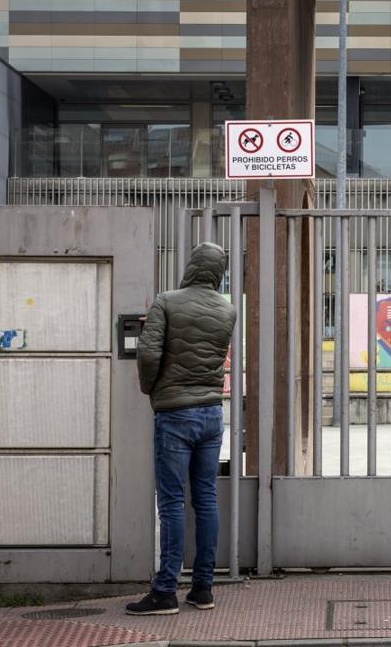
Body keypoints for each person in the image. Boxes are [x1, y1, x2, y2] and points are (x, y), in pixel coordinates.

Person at [125, 242, 239, 616]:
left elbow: (148, 352)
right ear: (219, 272)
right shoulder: (228, 309)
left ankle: (164, 592)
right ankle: (203, 588)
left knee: (172, 501)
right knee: (205, 498)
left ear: (191, 265)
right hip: (210, 413)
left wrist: (151, 389)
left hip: (175, 414)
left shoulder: (166, 301)